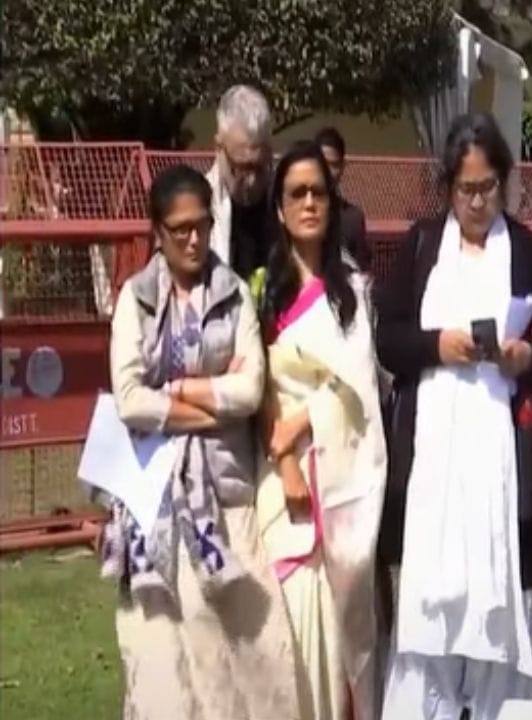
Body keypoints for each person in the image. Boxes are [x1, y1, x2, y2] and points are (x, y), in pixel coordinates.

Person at [103, 165, 302, 719]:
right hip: (154, 500)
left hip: (225, 495)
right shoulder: (136, 299)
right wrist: (206, 405)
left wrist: (175, 389)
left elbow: (250, 390)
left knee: (250, 647)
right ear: (158, 232)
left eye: (202, 226)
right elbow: (128, 398)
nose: (193, 239)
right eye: (180, 229)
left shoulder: (233, 294)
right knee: (164, 655)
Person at [378, 113, 532, 720]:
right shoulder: (423, 246)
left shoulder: (525, 250)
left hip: (500, 452)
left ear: (504, 181)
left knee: (498, 599)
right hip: (436, 457)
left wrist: (523, 355)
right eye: (465, 189)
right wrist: (438, 345)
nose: (477, 202)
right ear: (448, 188)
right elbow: (388, 338)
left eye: (487, 187)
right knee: (431, 607)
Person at [255, 142, 387, 720]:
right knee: (286, 620)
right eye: (297, 193)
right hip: (279, 478)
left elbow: (361, 386)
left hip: (342, 475)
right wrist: (285, 459)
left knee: (342, 632)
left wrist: (303, 420)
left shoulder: (351, 292)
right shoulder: (263, 290)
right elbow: (256, 380)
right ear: (279, 208)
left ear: (332, 204)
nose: (309, 203)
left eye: (318, 192)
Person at [207, 84, 274, 279]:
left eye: (260, 167)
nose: (252, 181)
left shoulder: (285, 200)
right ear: (218, 148)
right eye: (242, 168)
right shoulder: (199, 207)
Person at [316, 126, 371, 272]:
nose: (328, 172)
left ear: (342, 167)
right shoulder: (300, 211)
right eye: (323, 164)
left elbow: (362, 271)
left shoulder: (352, 219)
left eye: (334, 165)